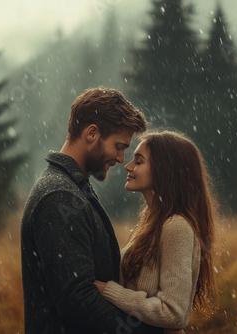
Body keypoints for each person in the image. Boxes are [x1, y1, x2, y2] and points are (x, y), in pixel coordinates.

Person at [20, 87, 163, 333]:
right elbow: (77, 299)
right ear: (92, 133)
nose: (121, 159)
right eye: (119, 146)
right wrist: (150, 332)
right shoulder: (60, 195)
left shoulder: (72, 187)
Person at [94, 131, 217, 332]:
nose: (128, 166)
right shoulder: (150, 223)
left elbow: (173, 313)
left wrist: (109, 291)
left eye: (139, 161)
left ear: (164, 170)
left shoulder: (176, 226)